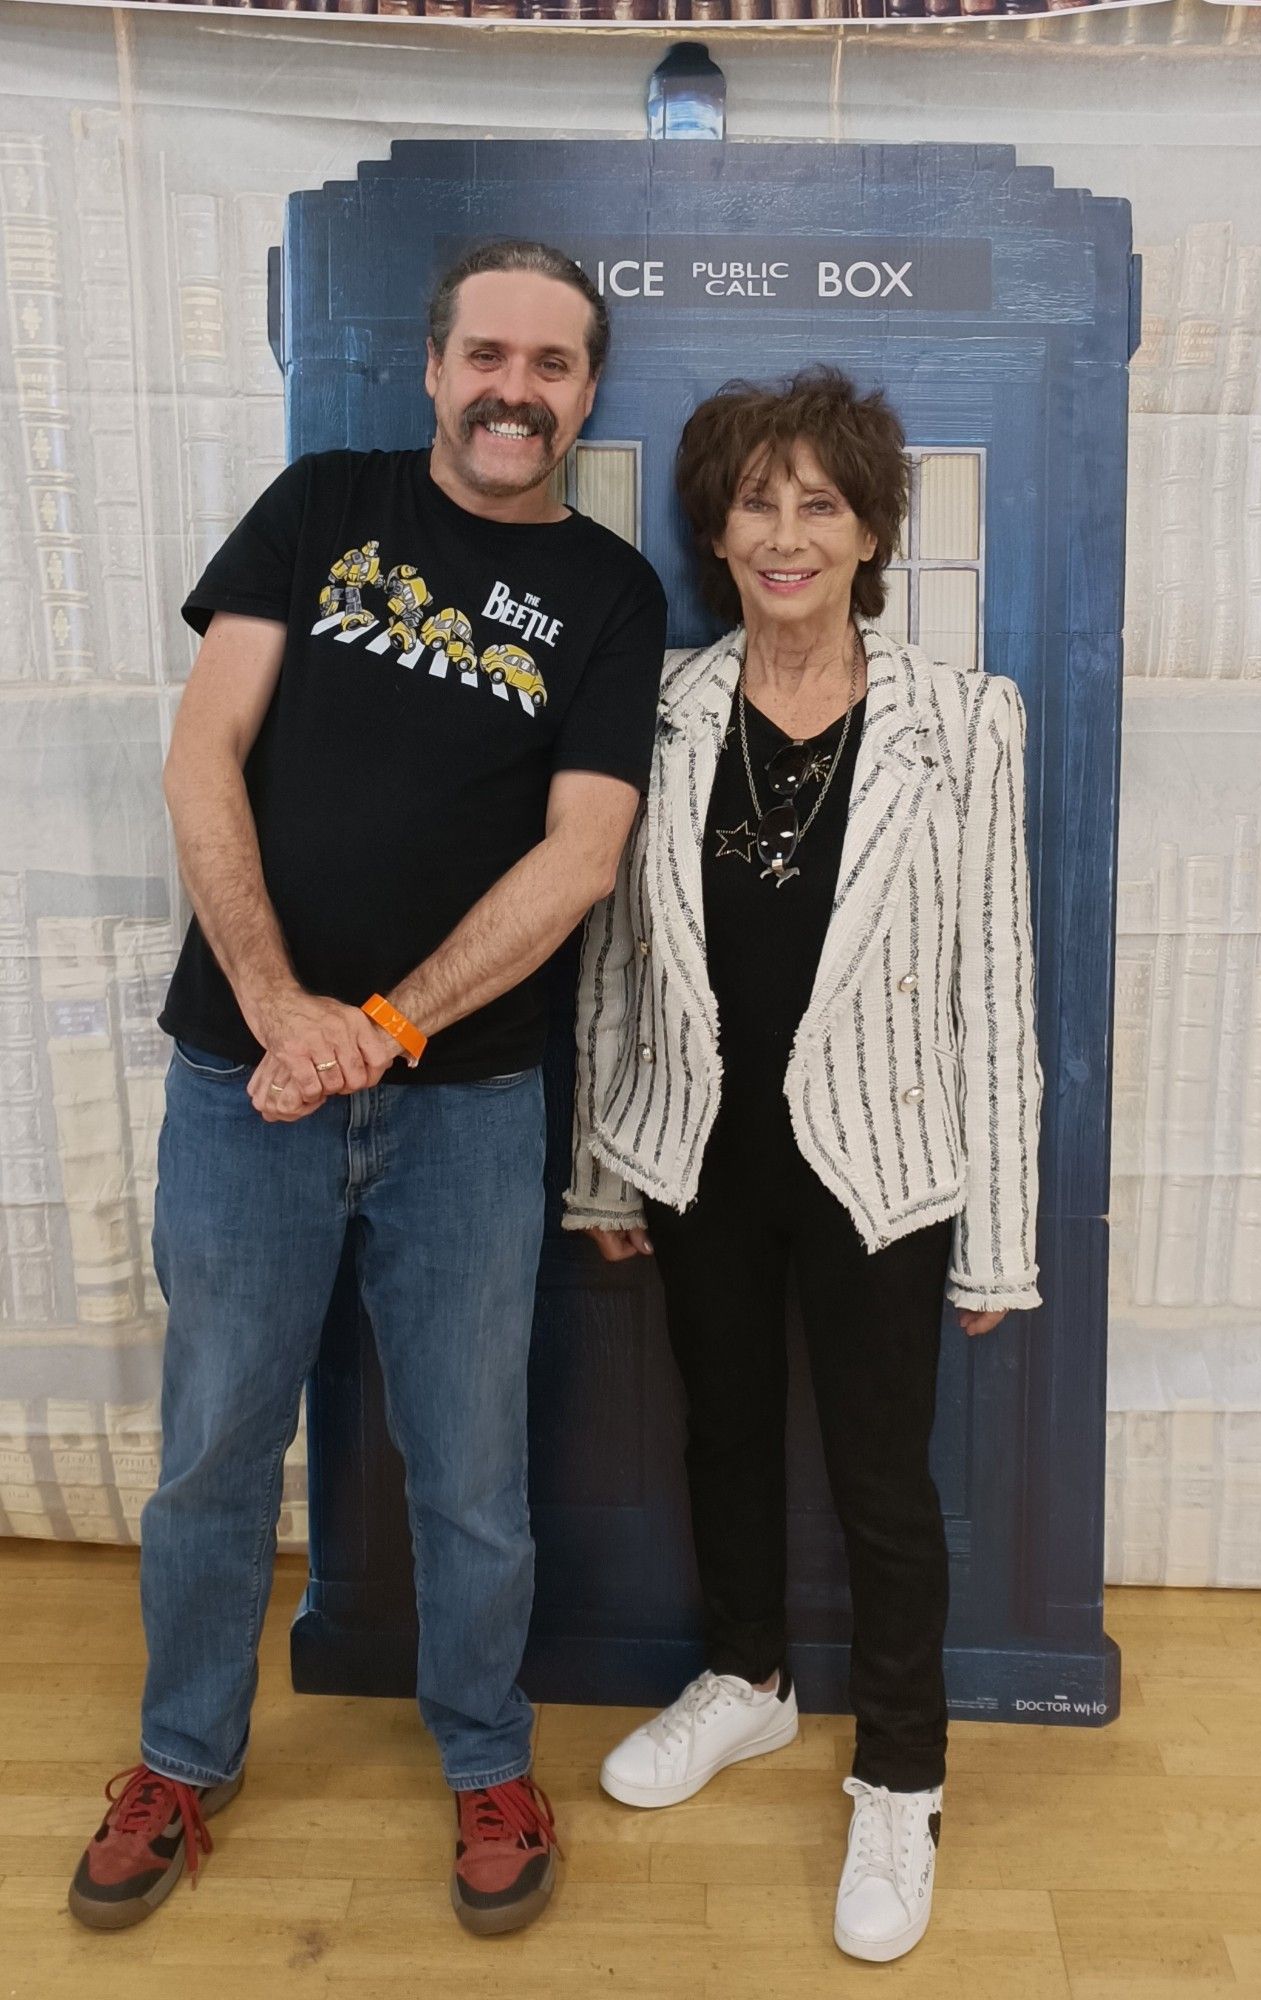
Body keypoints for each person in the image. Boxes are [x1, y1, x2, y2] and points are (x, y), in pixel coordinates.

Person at [69, 239, 667, 1939]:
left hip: (468, 1104)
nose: (514, 390)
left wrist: (381, 1027)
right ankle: (181, 1760)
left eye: (552, 365)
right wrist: (274, 1007)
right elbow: (203, 751)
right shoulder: (321, 498)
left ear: (585, 392)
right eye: (488, 353)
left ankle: (486, 1756)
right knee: (210, 1449)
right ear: (431, 366)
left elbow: (583, 856)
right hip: (235, 1080)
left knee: (470, 1468)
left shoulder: (614, 596)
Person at [564, 367, 1042, 1965]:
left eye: (817, 503)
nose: (784, 534)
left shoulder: (962, 720)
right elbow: (618, 967)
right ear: (715, 527)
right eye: (755, 503)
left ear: (869, 529)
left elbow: (997, 995)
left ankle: (899, 1774)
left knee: (880, 1478)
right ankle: (748, 1680)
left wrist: (999, 1243)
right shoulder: (665, 712)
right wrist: (599, 1168)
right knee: (721, 1435)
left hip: (879, 1167)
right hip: (699, 1151)